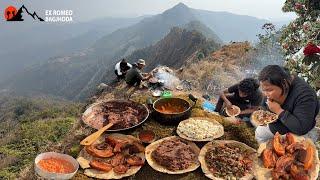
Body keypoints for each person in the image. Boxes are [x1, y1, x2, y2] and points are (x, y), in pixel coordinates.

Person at [255, 65, 319, 143]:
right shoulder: (273, 86)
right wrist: (265, 116)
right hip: (277, 127)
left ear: (284, 83)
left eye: (269, 90)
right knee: (259, 133)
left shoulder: (305, 95)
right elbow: (264, 106)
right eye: (263, 90)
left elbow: (302, 129)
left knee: (297, 152)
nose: (265, 94)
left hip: (297, 133)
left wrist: (279, 111)